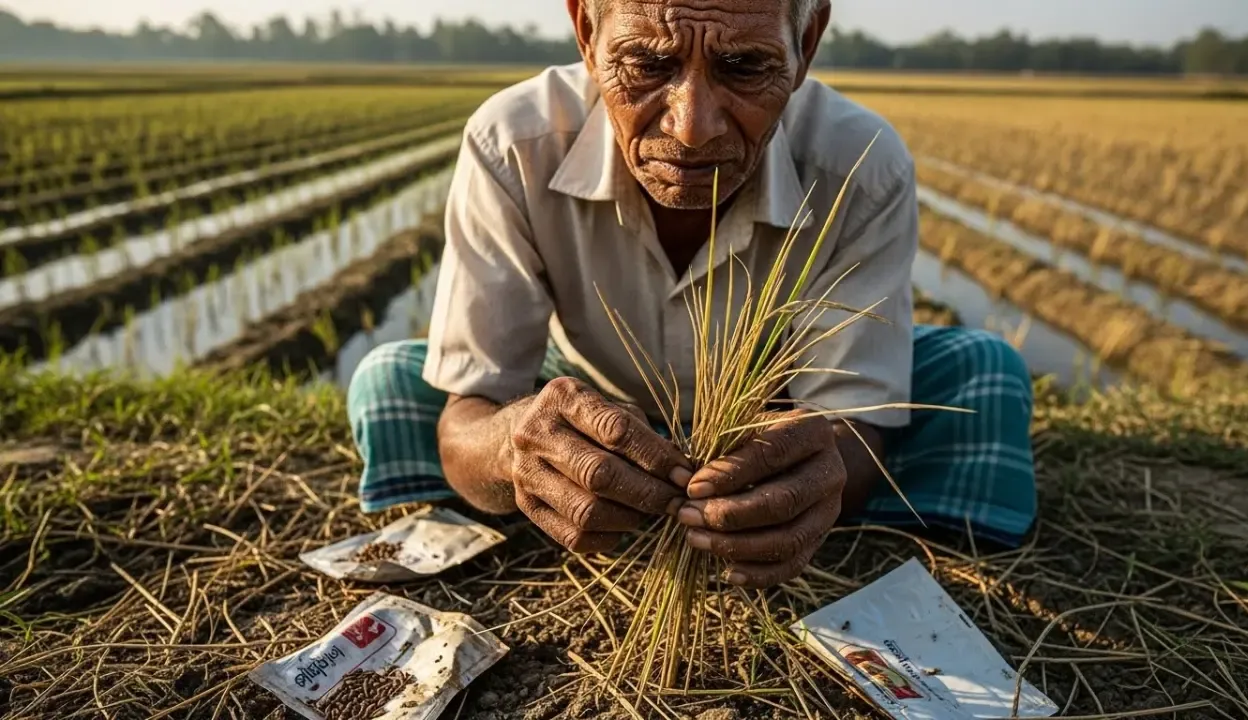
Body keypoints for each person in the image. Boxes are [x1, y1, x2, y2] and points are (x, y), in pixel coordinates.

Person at [346, 0, 1037, 589]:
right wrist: (513, 448)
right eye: (647, 65)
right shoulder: (514, 142)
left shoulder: (860, 162)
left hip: (778, 411)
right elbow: (476, 403)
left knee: (983, 377)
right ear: (586, 30)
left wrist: (823, 470)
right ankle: (572, 486)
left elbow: (853, 420)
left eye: (744, 67)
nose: (692, 126)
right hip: (584, 391)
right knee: (391, 383)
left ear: (806, 42)